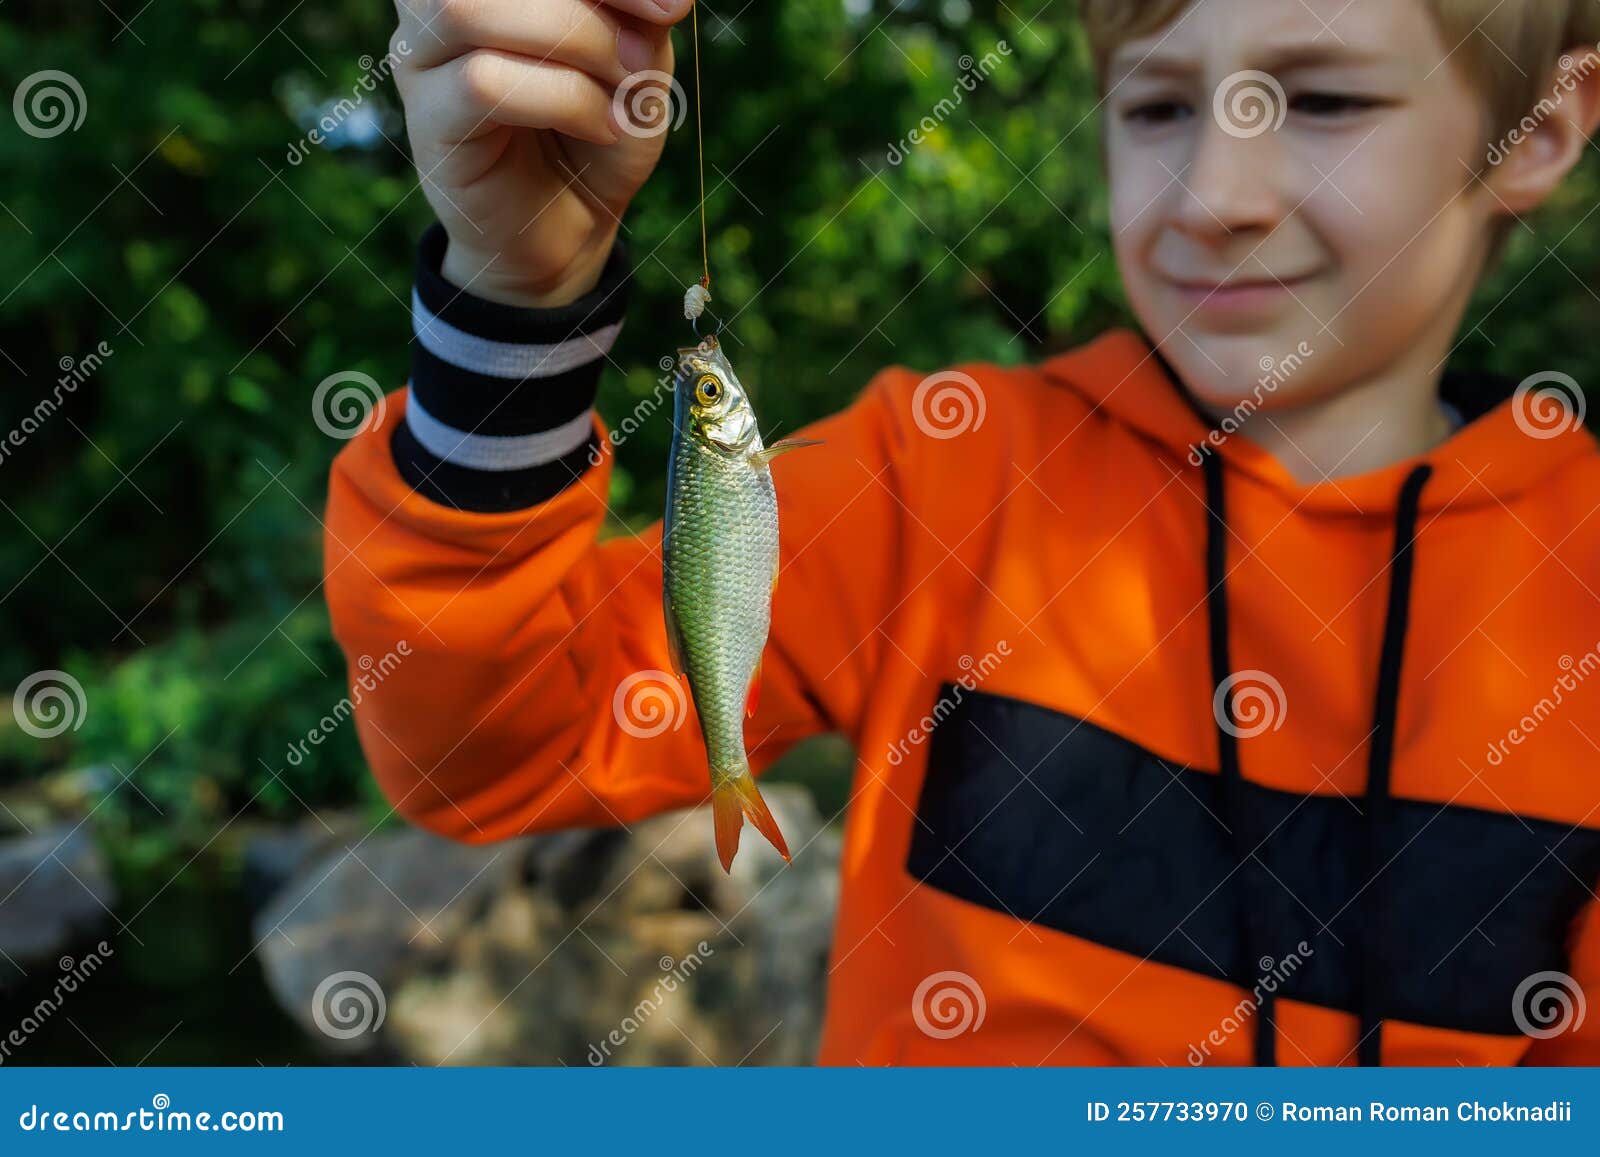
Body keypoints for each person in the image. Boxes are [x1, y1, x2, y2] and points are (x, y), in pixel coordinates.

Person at [325, 0, 1600, 1065]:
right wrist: (511, 297)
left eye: (1321, 102)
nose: (1219, 191)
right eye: (1157, 107)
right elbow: (488, 748)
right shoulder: (933, 476)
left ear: (1533, 133)